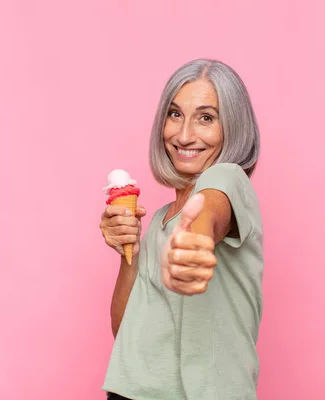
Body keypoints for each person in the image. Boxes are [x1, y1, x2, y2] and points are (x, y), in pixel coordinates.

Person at [99, 58, 264, 400]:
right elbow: (125, 333)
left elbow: (208, 213)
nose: (184, 134)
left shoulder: (227, 178)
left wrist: (196, 241)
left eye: (206, 118)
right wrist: (128, 251)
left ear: (232, 127)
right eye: (175, 114)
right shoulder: (160, 220)